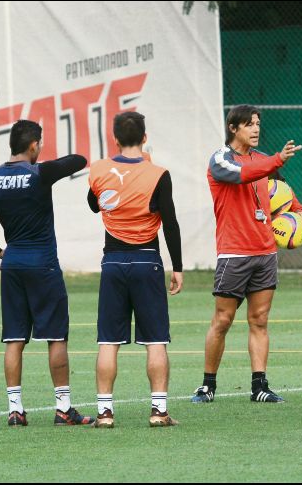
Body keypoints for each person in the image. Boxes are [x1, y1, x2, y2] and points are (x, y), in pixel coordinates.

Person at [0, 119, 93, 427]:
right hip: (43, 264)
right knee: (56, 336)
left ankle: (15, 410)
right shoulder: (40, 173)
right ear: (33, 145)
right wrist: (46, 165)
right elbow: (79, 160)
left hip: (12, 264)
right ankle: (63, 409)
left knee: (14, 338)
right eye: (39, 144)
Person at [191, 104, 302, 404]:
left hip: (265, 252)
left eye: (257, 124)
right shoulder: (220, 159)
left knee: (260, 320)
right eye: (249, 124)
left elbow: (283, 192)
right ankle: (207, 385)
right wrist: (276, 160)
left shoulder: (264, 160)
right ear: (233, 128)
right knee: (223, 320)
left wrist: (298, 214)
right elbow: (242, 174)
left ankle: (259, 387)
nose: (256, 129)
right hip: (234, 253)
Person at [87, 111, 183, 428]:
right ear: (144, 138)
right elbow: (170, 223)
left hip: (113, 262)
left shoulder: (99, 169)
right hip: (147, 261)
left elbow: (94, 204)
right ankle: (158, 411)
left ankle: (104, 413)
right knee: (155, 340)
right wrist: (178, 267)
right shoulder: (158, 174)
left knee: (108, 342)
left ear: (115, 138)